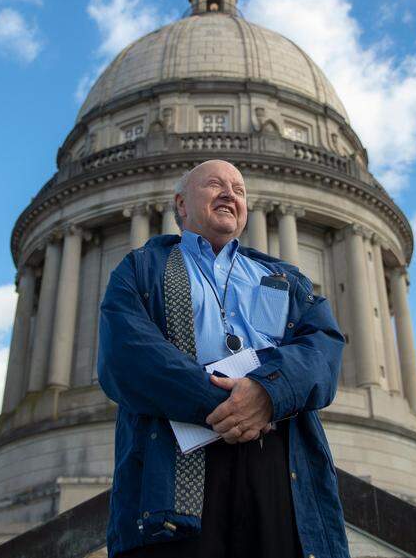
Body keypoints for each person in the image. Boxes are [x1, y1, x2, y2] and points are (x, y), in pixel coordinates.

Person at [97, 159, 350, 558]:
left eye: (239, 189)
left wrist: (268, 395)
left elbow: (324, 347)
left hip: (278, 459)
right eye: (215, 185)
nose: (230, 194)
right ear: (181, 205)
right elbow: (127, 357)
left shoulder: (284, 279)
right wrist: (236, 404)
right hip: (176, 456)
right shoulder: (143, 269)